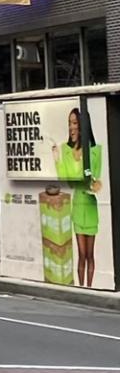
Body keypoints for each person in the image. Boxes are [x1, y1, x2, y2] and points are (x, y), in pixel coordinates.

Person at [55, 106, 104, 289]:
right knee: (81, 254)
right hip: (77, 206)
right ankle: (81, 288)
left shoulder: (95, 151)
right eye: (70, 123)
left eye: (75, 123)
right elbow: (67, 181)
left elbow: (95, 178)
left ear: (83, 126)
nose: (71, 127)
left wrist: (93, 184)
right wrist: (57, 160)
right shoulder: (65, 151)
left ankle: (89, 288)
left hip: (90, 207)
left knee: (90, 254)